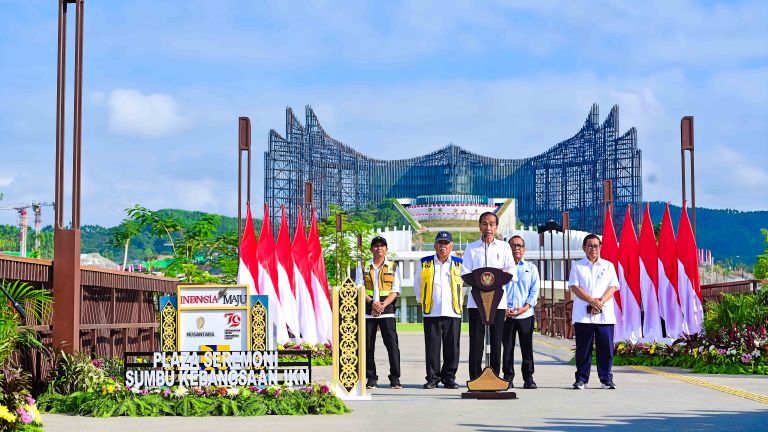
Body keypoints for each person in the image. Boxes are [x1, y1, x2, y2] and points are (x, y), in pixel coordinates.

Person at [461, 212, 516, 380]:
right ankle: (476, 378)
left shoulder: (504, 247)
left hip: (498, 302)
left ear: (497, 227)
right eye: (485, 224)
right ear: (480, 226)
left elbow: (511, 271)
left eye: (492, 224)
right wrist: (481, 283)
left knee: (496, 339)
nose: (488, 227)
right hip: (476, 302)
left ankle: (495, 378)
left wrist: (494, 281)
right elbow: (465, 273)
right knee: (476, 342)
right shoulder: (472, 248)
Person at [568, 233, 620, 390]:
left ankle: (606, 378)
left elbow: (614, 286)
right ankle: (582, 379)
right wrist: (591, 301)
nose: (593, 248)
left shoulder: (608, 265)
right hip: (583, 316)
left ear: (600, 247)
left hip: (604, 315)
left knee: (606, 348)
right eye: (589, 246)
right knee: (584, 349)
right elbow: (574, 287)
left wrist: (600, 302)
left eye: (596, 245)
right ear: (584, 248)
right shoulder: (577, 266)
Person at [413, 231, 463, 389]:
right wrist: (423, 301)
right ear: (435, 245)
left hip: (453, 311)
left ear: (451, 246)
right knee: (432, 348)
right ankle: (433, 378)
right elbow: (417, 284)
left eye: (446, 243)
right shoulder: (425, 262)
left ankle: (449, 378)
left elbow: (465, 284)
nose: (443, 246)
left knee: (452, 348)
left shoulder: (459, 263)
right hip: (432, 311)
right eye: (440, 243)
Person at [355, 236, 402, 389]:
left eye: (382, 246)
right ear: (371, 249)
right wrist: (372, 302)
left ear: (386, 249)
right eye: (376, 246)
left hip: (387, 311)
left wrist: (382, 305)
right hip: (368, 311)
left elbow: (395, 290)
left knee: (392, 345)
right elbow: (359, 288)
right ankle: (371, 377)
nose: (379, 248)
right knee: (368, 346)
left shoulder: (393, 266)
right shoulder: (362, 266)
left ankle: (395, 378)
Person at [502, 235, 540, 389]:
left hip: (525, 314)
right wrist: (503, 308)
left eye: (519, 245)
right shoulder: (502, 268)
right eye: (513, 245)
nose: (516, 248)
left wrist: (525, 307)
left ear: (524, 249)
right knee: (508, 347)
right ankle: (508, 377)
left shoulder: (531, 268)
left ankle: (528, 377)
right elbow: (499, 289)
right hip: (506, 315)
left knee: (527, 347)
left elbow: (534, 290)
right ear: (508, 248)